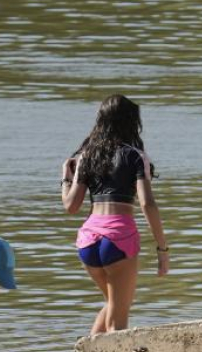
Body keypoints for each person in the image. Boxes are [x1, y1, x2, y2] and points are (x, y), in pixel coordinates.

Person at [62, 94, 169, 335]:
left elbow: (71, 206)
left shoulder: (87, 157)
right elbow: (147, 203)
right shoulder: (135, 156)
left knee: (113, 304)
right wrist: (162, 250)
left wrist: (65, 179)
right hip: (118, 239)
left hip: (88, 241)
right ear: (131, 122)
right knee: (118, 325)